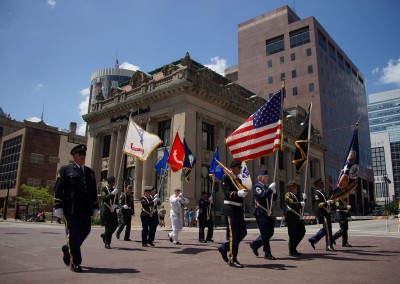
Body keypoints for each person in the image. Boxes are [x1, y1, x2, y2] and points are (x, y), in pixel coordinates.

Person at [53, 144, 99, 273]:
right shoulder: (65, 170)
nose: (83, 156)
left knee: (86, 231)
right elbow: (58, 189)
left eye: (84, 154)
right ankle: (76, 262)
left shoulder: (90, 172)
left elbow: (93, 191)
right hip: (71, 209)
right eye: (80, 154)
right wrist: (58, 206)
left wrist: (95, 206)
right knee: (73, 236)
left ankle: (68, 249)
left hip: (86, 209)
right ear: (74, 156)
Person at [217, 159, 248, 268]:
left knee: (243, 232)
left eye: (240, 167)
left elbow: (242, 191)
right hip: (230, 209)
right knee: (234, 236)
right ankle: (232, 259)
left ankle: (225, 247)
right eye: (239, 167)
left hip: (238, 210)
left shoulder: (237, 179)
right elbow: (227, 192)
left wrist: (243, 192)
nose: (240, 169)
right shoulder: (226, 177)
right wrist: (237, 193)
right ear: (233, 168)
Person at [249, 169, 277, 260]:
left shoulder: (266, 187)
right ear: (261, 178)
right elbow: (261, 197)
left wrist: (274, 191)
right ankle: (267, 253)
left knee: (270, 232)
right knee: (265, 233)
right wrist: (269, 189)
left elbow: (274, 198)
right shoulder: (257, 186)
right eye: (266, 177)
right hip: (261, 212)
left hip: (268, 213)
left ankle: (255, 244)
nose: (268, 178)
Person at [308, 178, 336, 251]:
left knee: (326, 229)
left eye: (323, 183)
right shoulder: (316, 193)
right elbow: (319, 204)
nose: (322, 184)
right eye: (321, 183)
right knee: (328, 230)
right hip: (323, 213)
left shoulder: (324, 193)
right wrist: (327, 203)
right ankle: (329, 246)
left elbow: (329, 200)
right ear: (317, 185)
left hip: (327, 212)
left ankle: (313, 239)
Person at [285, 180, 307, 256]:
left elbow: (300, 205)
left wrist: (304, 199)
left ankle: (293, 247)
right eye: (294, 187)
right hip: (291, 216)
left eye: (296, 187)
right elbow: (291, 203)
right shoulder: (288, 194)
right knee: (293, 234)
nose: (296, 188)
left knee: (302, 232)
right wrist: (300, 203)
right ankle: (292, 249)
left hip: (297, 217)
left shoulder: (295, 196)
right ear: (290, 187)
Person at [100, 176, 119, 249]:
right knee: (108, 227)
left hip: (113, 210)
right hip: (107, 210)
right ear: (109, 182)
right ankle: (107, 243)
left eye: (114, 181)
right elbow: (104, 198)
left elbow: (116, 201)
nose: (114, 183)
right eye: (113, 181)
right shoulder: (104, 189)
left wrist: (116, 206)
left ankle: (105, 235)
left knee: (115, 225)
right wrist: (111, 194)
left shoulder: (115, 190)